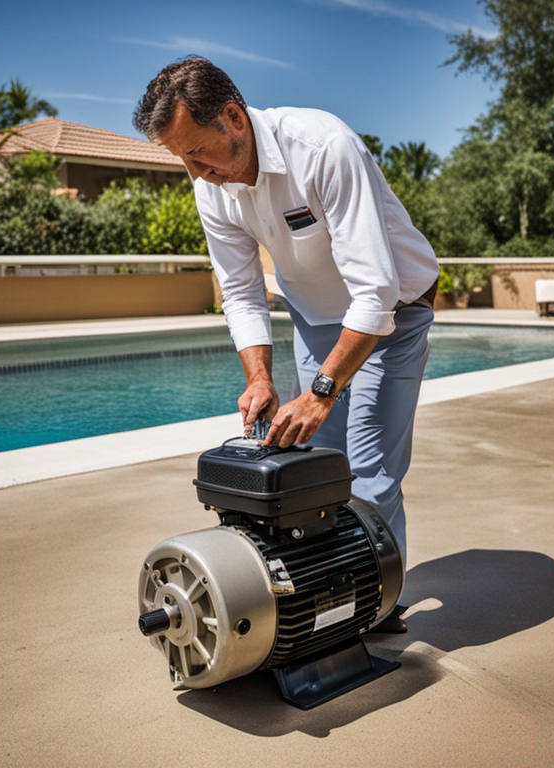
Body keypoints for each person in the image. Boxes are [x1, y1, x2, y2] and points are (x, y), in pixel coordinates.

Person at [134, 56, 439, 585]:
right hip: (316, 317)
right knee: (312, 461)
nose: (196, 173)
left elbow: (375, 291)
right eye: (184, 159)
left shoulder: (324, 147)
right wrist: (260, 379)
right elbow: (240, 289)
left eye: (198, 152)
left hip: (393, 313)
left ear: (233, 116)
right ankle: (323, 593)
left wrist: (320, 392)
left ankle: (376, 606)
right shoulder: (210, 184)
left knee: (367, 470)